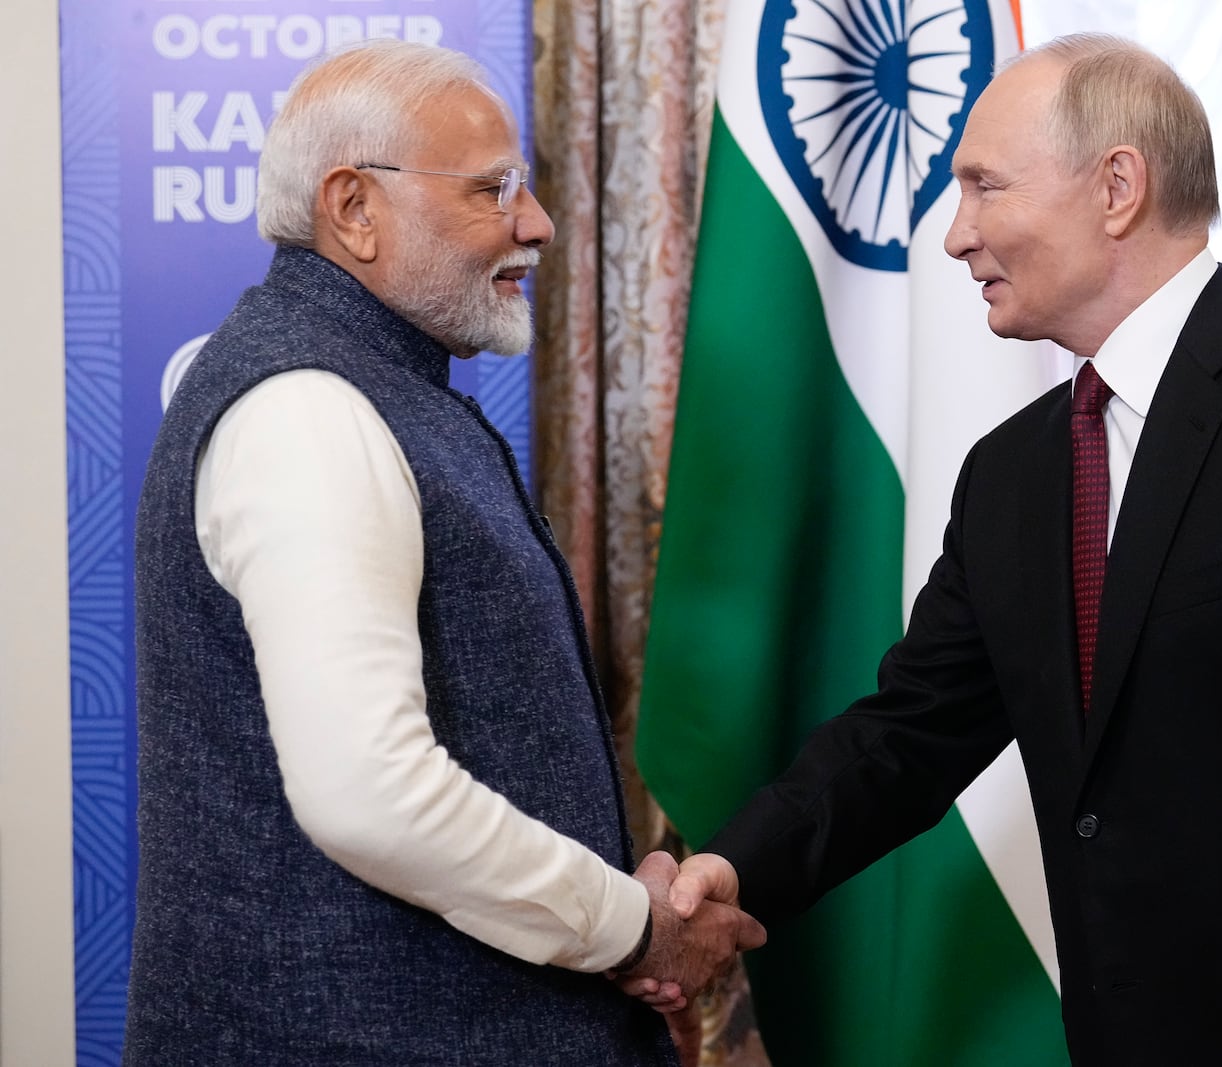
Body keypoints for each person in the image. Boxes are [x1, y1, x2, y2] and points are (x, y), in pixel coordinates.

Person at [635, 33, 1222, 1066]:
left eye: (983, 187)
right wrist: (735, 869)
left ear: (1116, 186)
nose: (954, 236)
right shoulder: (1012, 475)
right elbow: (908, 734)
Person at [125, 39, 761, 1065]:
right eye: (492, 188)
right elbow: (370, 792)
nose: (535, 222)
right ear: (354, 208)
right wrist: (633, 924)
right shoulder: (307, 410)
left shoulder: (368, 385)